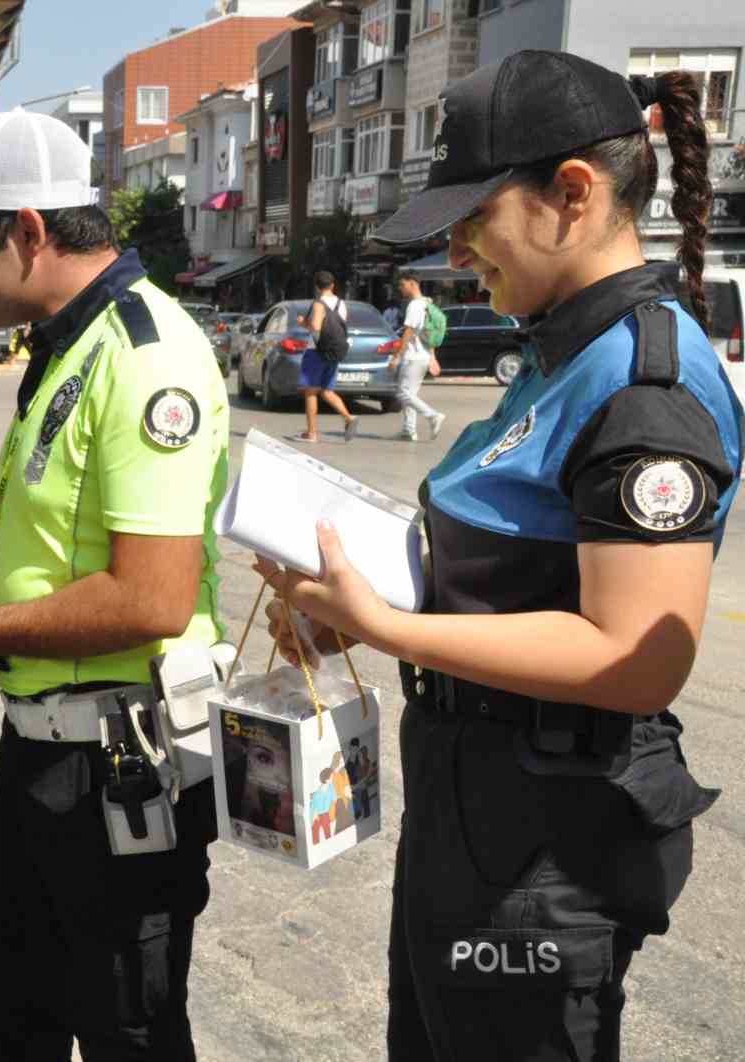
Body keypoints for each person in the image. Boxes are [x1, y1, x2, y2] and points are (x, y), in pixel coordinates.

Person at [258, 51, 742, 1059]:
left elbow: (637, 657)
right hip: (481, 810)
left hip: (546, 842)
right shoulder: (563, 348)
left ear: (572, 193)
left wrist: (386, 624)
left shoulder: (641, 384)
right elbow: (516, 562)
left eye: (475, 216)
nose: (458, 250)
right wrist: (350, 595)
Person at [0, 109, 229, 1061]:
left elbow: (150, 596)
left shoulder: (148, 356)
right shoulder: (67, 343)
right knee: (16, 1007)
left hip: (122, 768)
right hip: (39, 758)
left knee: (129, 1029)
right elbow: (57, 545)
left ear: (27, 231)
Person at [294, 271, 360, 444]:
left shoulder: (318, 304)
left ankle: (311, 433)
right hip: (334, 351)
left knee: (311, 391)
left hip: (316, 351)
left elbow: (315, 327)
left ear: (317, 287)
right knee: (327, 390)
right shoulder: (341, 303)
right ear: (332, 285)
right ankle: (348, 417)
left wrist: (303, 323)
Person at [387, 271, 448, 442]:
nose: (400, 288)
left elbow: (409, 331)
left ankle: (433, 416)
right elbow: (429, 333)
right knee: (410, 394)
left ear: (412, 283)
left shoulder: (415, 305)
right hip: (423, 356)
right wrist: (433, 357)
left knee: (402, 393)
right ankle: (409, 430)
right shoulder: (427, 304)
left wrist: (397, 356)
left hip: (413, 357)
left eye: (402, 284)